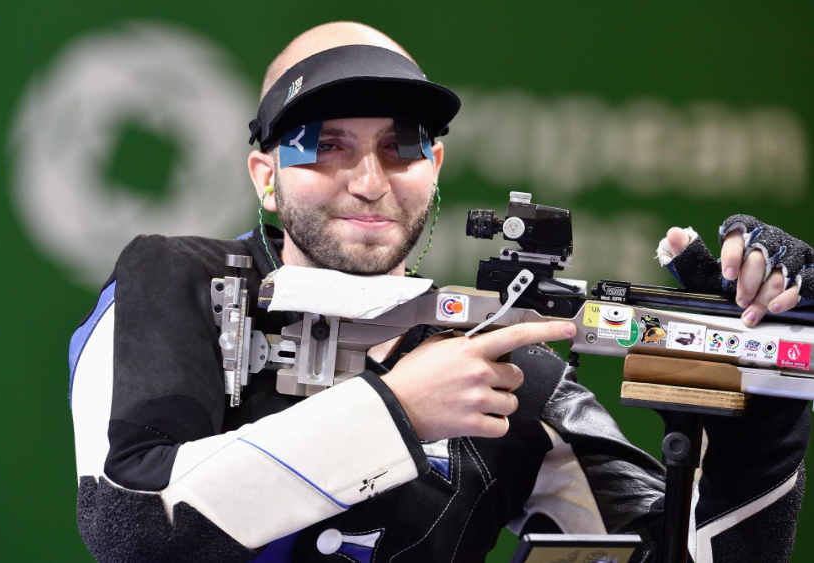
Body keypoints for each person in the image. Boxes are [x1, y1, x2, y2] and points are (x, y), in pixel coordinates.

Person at [70, 22, 812, 563]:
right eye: (324, 144)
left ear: (437, 164)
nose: (368, 180)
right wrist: (397, 411)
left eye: (403, 145)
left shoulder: (510, 371)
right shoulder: (177, 282)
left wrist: (754, 431)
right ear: (264, 175)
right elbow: (132, 521)